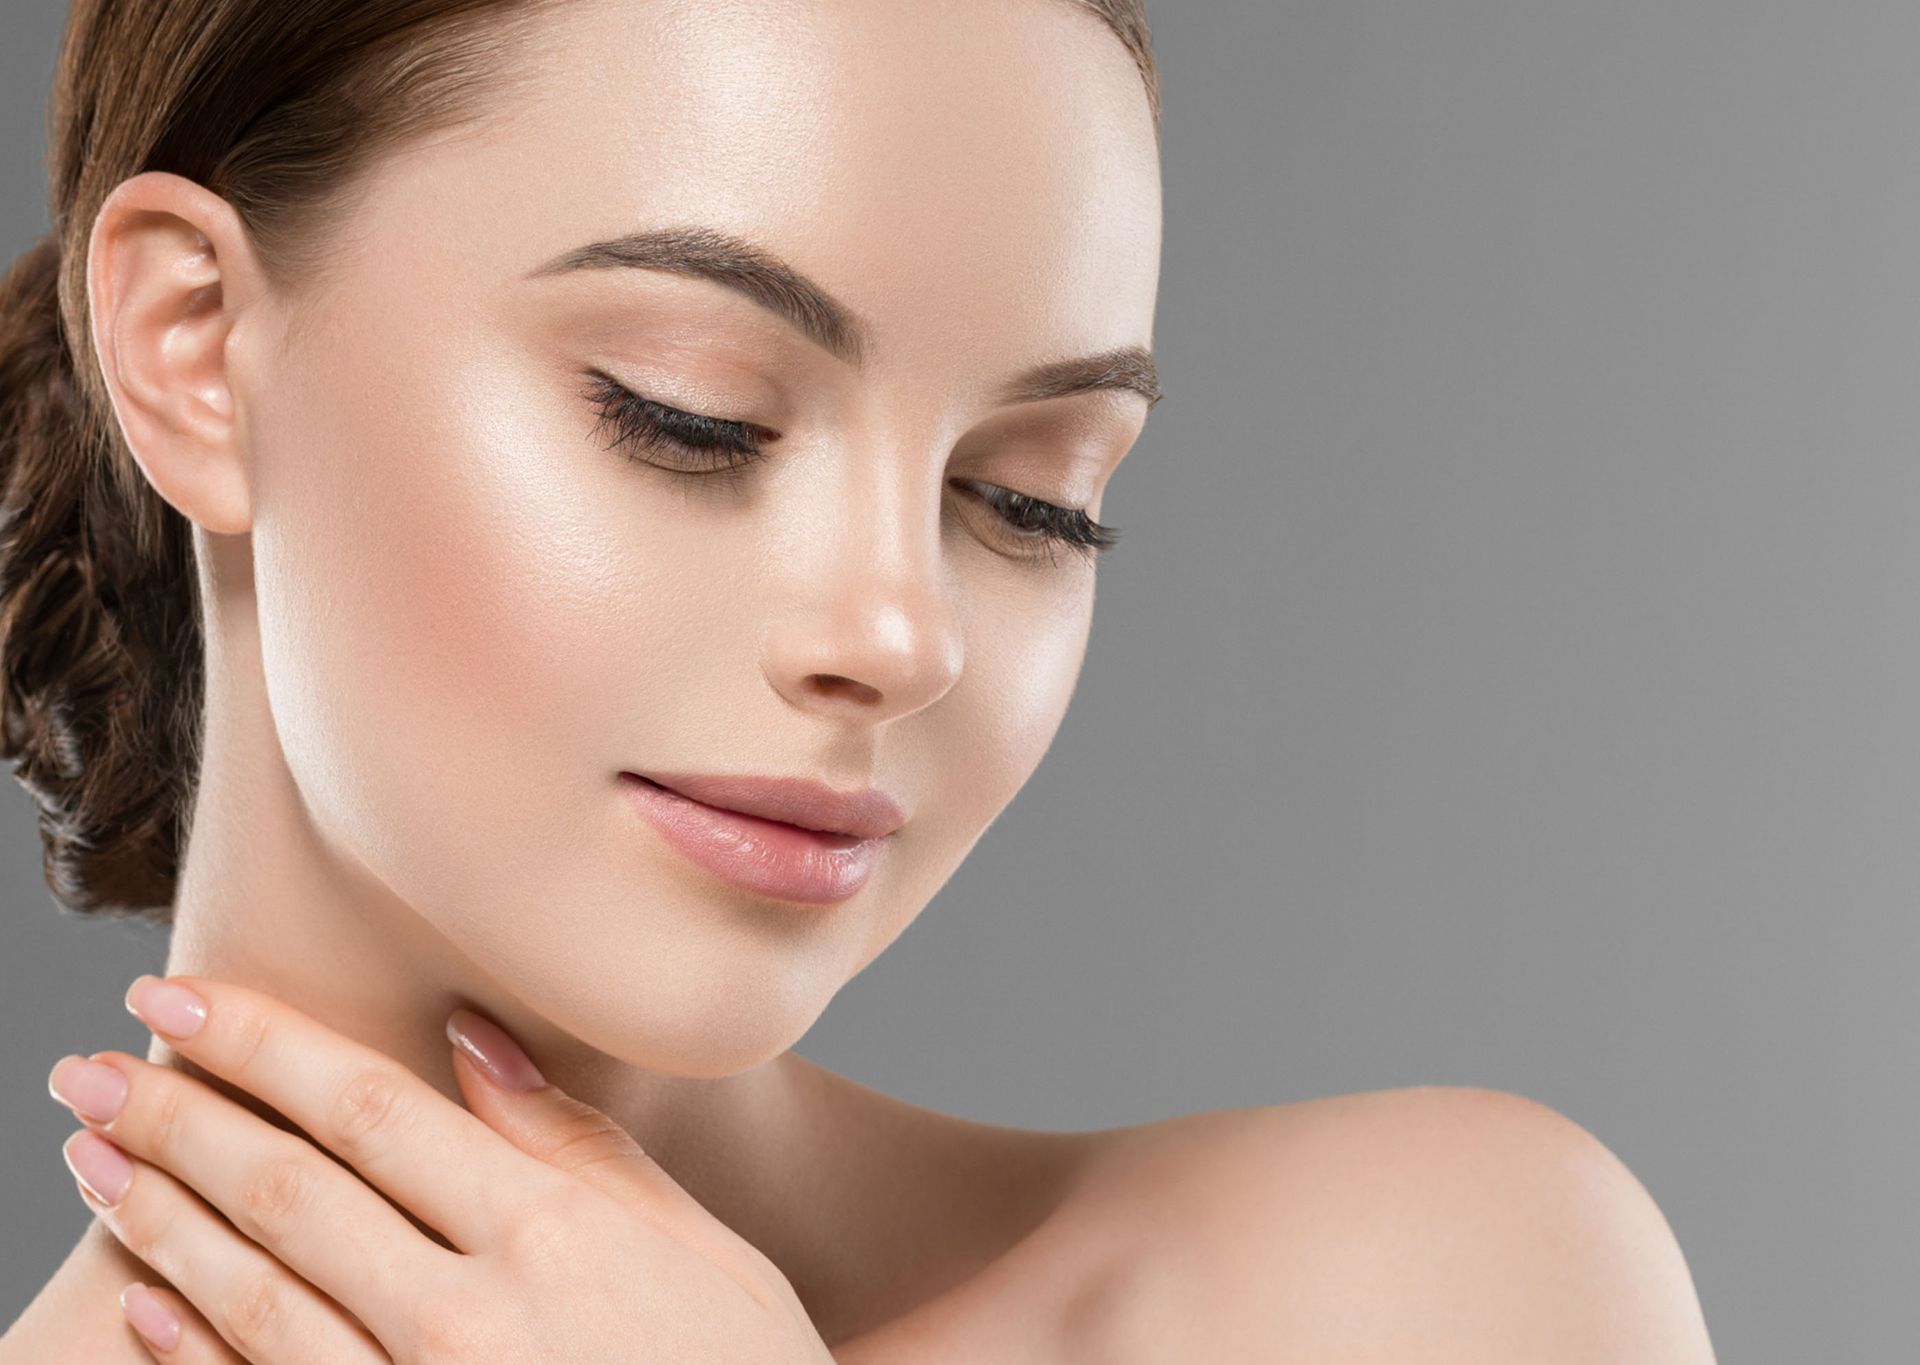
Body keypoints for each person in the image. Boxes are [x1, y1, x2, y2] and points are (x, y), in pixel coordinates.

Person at [0, 0, 1717, 1359]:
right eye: (692, 417)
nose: (904, 633)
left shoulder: (1424, 1297)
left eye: (1031, 497)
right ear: (198, 349)